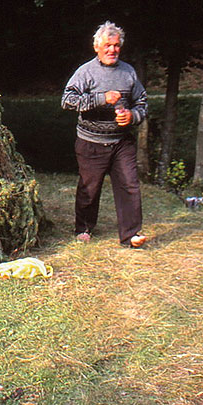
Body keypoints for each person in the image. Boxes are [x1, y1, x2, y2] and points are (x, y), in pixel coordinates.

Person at [61, 21, 148, 248]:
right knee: (90, 188)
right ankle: (84, 227)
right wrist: (101, 99)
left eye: (116, 45)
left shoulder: (128, 72)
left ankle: (131, 235)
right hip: (91, 142)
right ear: (97, 47)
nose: (113, 50)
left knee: (130, 185)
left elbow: (142, 102)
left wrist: (132, 116)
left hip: (121, 141)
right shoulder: (86, 72)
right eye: (108, 45)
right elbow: (67, 101)